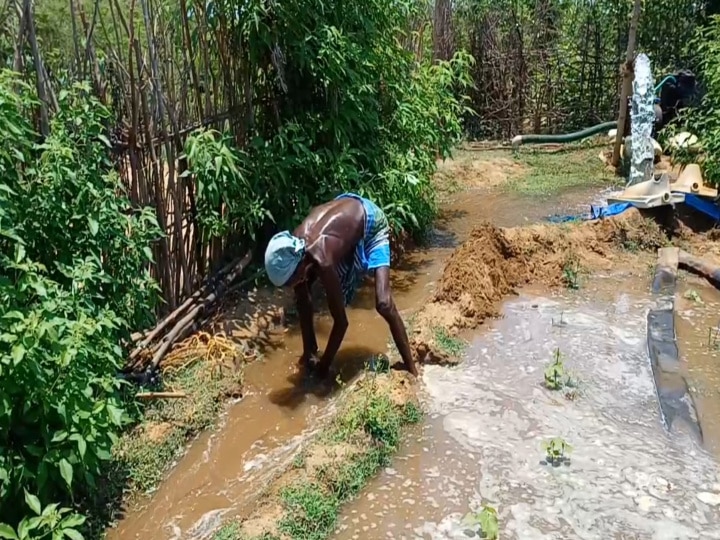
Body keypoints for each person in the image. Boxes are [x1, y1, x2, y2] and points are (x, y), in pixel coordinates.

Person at [263, 192, 419, 378]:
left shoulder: (323, 260)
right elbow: (303, 302)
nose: (291, 286)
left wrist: (323, 368)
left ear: (298, 267)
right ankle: (309, 351)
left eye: (291, 281)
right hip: (345, 215)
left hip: (371, 222)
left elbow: (341, 323)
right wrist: (309, 356)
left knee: (383, 303)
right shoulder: (293, 248)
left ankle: (412, 370)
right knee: (302, 296)